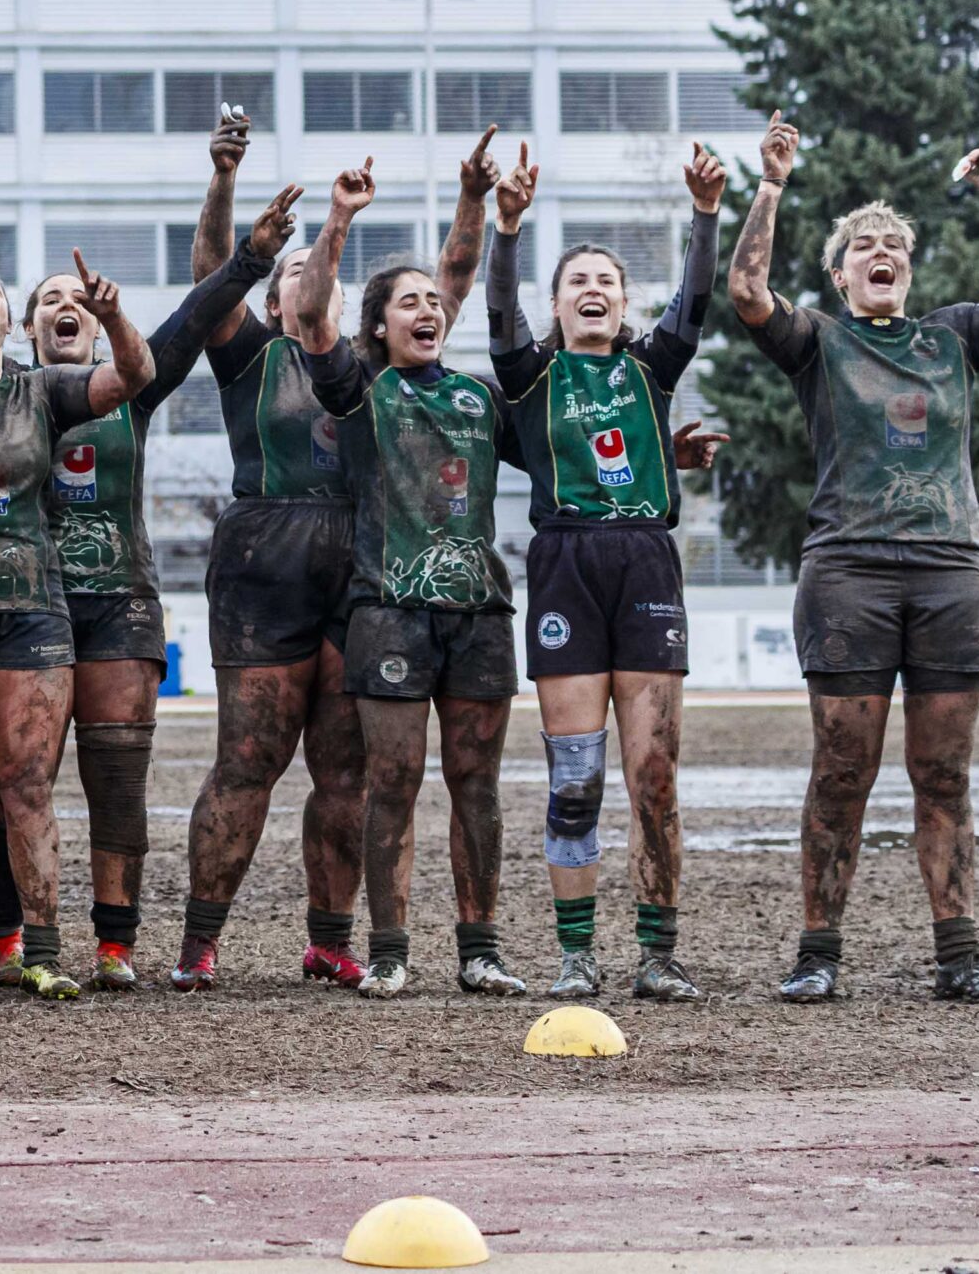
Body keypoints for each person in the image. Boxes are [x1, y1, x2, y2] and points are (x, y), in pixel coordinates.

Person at [0, 205, 287, 1003]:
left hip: (47, 604)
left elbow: (139, 372)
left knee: (33, 784)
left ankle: (56, 947)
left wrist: (121, 314)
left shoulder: (47, 390)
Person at [174, 119, 489, 991]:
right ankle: (200, 943)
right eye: (294, 279)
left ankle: (329, 938)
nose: (312, 288)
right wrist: (224, 180)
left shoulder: (373, 369)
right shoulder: (249, 355)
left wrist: (473, 199)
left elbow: (453, 281)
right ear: (277, 300)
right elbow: (210, 276)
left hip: (362, 562)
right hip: (265, 558)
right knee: (248, 759)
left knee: (345, 771)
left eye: (326, 281)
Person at [0, 178, 305, 991]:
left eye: (78, 300)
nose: (66, 306)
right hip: (30, 602)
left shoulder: (129, 388)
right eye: (49, 301)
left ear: (95, 321)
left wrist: (250, 258)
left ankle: (113, 944)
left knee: (117, 778)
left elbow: (193, 322)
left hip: (121, 605)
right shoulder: (6, 396)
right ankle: (10, 936)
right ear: (28, 328)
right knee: (17, 777)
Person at [727, 122, 979, 1003]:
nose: (880, 253)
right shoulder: (820, 342)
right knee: (841, 769)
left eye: (894, 247)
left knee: (946, 772)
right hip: (849, 572)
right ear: (841, 274)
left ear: (908, 273)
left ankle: (961, 956)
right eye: (862, 247)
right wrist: (771, 185)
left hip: (952, 573)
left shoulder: (953, 337)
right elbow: (744, 289)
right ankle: (818, 952)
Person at [285, 154, 529, 1000]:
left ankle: (481, 950)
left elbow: (561, 458)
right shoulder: (360, 390)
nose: (427, 308)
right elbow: (309, 311)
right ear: (380, 326)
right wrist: (340, 221)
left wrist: (664, 461)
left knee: (477, 783)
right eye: (408, 301)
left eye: (433, 299)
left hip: (480, 610)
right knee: (392, 780)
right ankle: (388, 949)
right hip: (387, 610)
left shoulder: (482, 398)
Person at [490, 140, 727, 1001]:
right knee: (577, 778)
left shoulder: (650, 369)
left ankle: (658, 955)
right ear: (554, 304)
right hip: (564, 563)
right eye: (577, 281)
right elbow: (496, 317)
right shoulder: (530, 376)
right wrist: (506, 229)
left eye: (608, 282)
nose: (593, 289)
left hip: (645, 562)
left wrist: (705, 215)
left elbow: (697, 306)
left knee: (653, 773)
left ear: (625, 304)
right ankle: (576, 953)